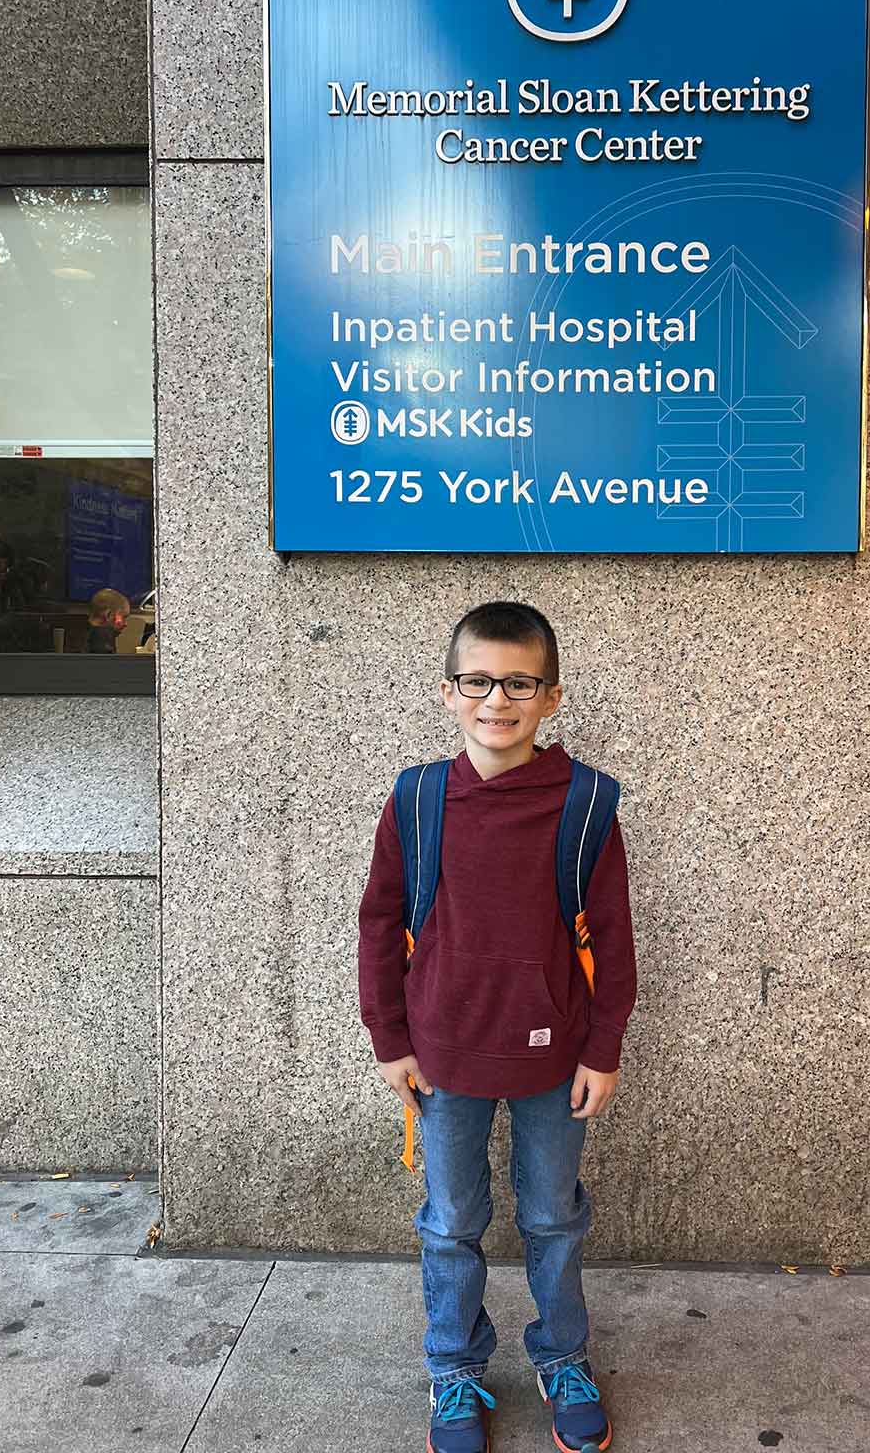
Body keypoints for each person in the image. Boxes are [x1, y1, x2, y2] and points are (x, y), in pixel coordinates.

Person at [358, 600, 636, 1453]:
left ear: (551, 697)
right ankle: (455, 1372)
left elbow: (615, 936)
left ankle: (563, 1359)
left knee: (552, 1217)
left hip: (556, 1058)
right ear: (448, 693)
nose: (497, 698)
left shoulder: (586, 803)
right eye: (477, 680)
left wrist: (604, 1048)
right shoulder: (417, 800)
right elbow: (378, 925)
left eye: (519, 682)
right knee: (451, 1222)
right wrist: (390, 1039)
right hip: (442, 1057)